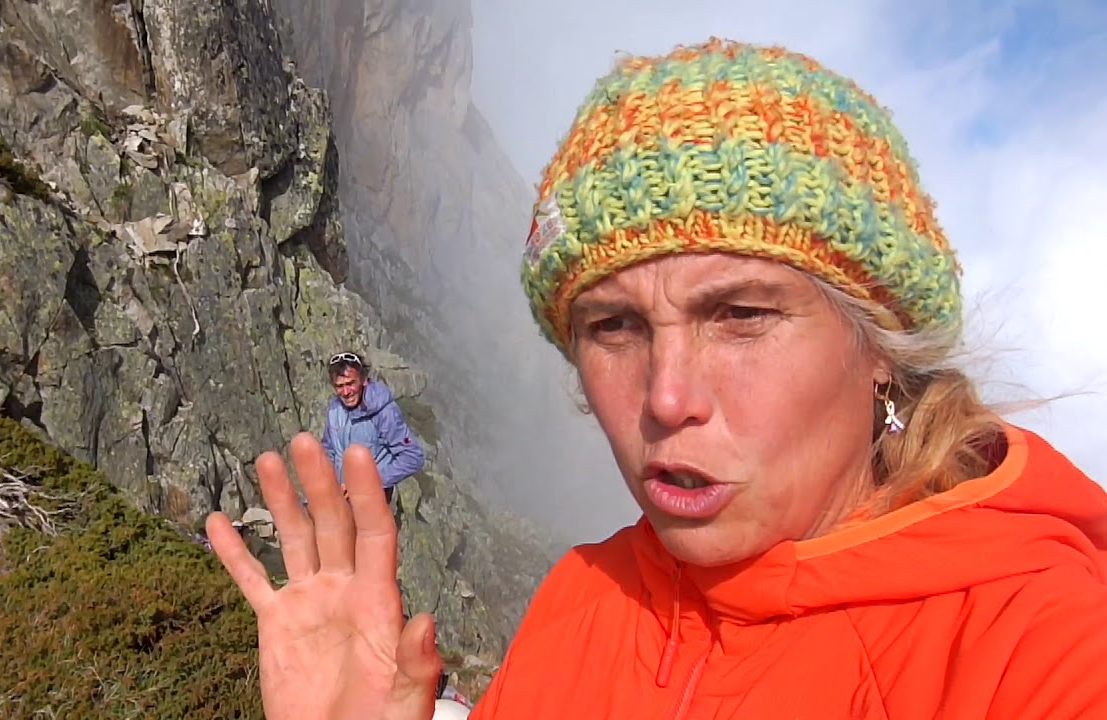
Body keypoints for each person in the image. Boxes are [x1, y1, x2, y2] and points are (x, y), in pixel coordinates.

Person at [205, 38, 1107, 719]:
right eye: (613, 327)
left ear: (881, 344)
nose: (668, 397)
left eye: (742, 315)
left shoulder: (1040, 649)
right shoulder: (586, 599)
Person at [320, 350, 426, 505]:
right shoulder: (335, 408)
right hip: (341, 500)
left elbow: (412, 456)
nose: (346, 392)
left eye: (350, 383)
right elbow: (328, 449)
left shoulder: (384, 412)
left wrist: (370, 483)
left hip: (371, 504)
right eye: (339, 386)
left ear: (363, 380)